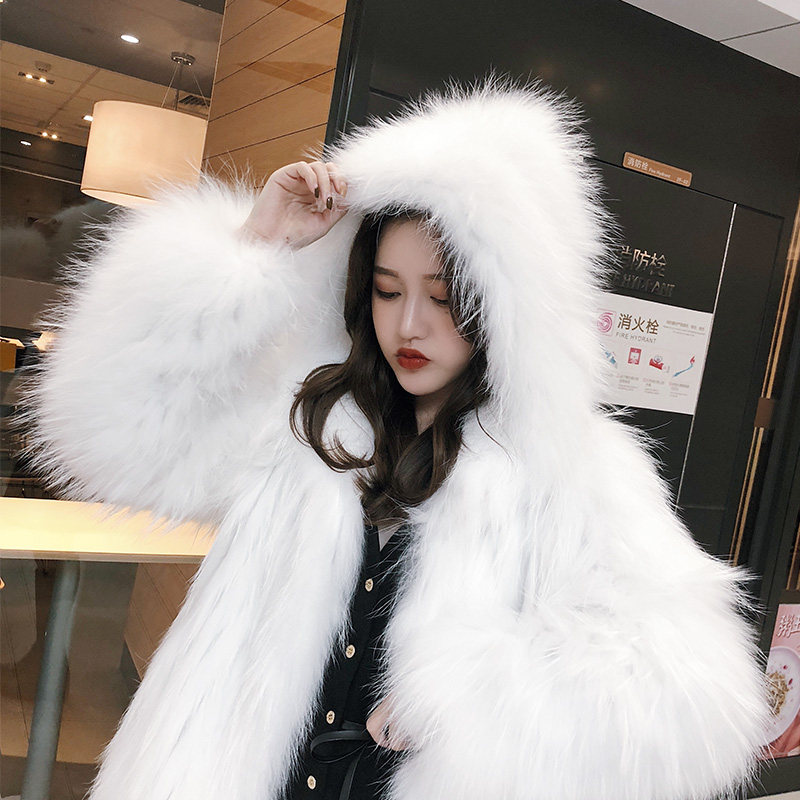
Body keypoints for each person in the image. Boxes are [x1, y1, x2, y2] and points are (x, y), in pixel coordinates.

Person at [24, 82, 770, 800]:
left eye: (443, 297)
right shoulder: (306, 422)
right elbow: (111, 438)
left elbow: (692, 688)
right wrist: (258, 246)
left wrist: (470, 699)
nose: (408, 325)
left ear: (506, 307)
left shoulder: (572, 468)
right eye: (386, 291)